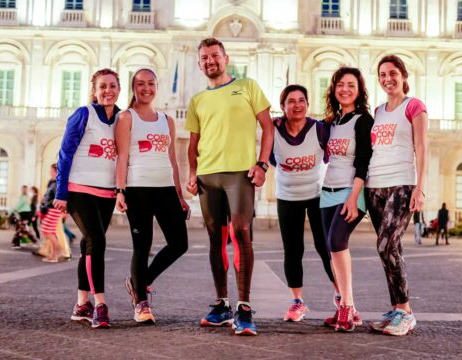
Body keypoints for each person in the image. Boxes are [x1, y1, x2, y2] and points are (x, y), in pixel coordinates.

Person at [185, 37, 273, 336]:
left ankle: (244, 307)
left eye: (215, 56)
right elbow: (193, 144)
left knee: (240, 232)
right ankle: (222, 304)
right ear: (200, 64)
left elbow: (268, 127)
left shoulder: (248, 87)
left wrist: (262, 164)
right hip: (208, 176)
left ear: (226, 57)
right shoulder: (197, 100)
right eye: (205, 57)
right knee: (215, 237)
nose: (210, 61)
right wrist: (192, 172)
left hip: (239, 173)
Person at [115, 68, 189, 324]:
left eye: (151, 84)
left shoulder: (167, 120)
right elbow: (122, 156)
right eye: (140, 84)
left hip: (165, 188)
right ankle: (141, 303)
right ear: (133, 87)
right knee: (142, 245)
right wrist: (120, 190)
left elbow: (173, 160)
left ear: (157, 86)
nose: (146, 88)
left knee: (180, 243)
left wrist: (180, 195)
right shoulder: (126, 117)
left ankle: (139, 282)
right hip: (138, 189)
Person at [53, 68, 121, 328]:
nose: (108, 91)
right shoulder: (84, 114)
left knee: (88, 247)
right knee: (97, 240)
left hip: (106, 192)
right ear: (94, 90)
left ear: (119, 89)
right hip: (79, 190)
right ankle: (100, 304)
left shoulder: (121, 118)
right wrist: (61, 193)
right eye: (102, 86)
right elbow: (65, 153)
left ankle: (81, 304)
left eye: (112, 86)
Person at [366, 55, 428, 336]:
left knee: (385, 245)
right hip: (374, 185)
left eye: (392, 73)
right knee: (391, 249)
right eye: (382, 74)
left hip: (401, 184)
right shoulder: (378, 111)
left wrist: (420, 187)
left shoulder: (414, 106)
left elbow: (421, 148)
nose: (387, 78)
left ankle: (405, 311)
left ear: (403, 75)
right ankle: (397, 310)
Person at [270, 84, 337, 322]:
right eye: (291, 101)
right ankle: (296, 302)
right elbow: (271, 159)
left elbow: (334, 151)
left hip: (318, 196)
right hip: (287, 197)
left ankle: (342, 298)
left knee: (326, 247)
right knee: (293, 250)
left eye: (301, 100)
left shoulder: (320, 130)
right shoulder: (273, 129)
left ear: (308, 105)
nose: (297, 105)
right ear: (282, 107)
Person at [320, 67, 374, 332]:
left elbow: (364, 160)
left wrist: (354, 197)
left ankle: (346, 306)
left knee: (337, 241)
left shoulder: (363, 119)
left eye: (351, 85)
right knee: (330, 249)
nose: (345, 89)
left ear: (360, 90)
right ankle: (346, 306)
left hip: (351, 191)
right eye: (341, 84)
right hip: (327, 191)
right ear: (334, 88)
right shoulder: (332, 122)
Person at [40, 164, 63, 262]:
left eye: (51, 170)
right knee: (51, 232)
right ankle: (53, 256)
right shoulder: (52, 182)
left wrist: (47, 201)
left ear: (56, 171)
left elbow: (57, 197)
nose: (50, 172)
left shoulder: (57, 183)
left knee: (46, 230)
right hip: (51, 208)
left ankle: (58, 249)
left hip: (54, 209)